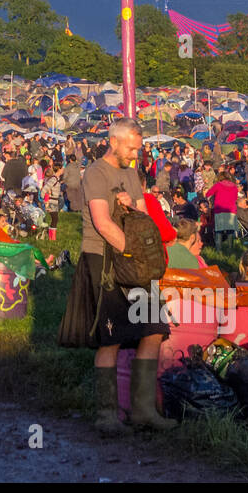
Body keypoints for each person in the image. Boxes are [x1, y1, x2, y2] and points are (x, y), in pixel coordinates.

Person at [77, 118, 175, 435]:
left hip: (136, 260)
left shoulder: (131, 171)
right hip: (105, 260)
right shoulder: (96, 172)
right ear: (114, 140)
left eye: (138, 148)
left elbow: (142, 213)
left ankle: (143, 411)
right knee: (112, 337)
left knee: (153, 329)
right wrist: (132, 252)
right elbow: (102, 222)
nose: (135, 154)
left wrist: (133, 209)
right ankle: (106, 415)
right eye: (131, 147)